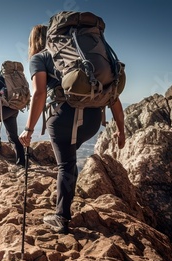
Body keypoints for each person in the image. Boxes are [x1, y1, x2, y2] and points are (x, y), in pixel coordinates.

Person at [19, 25, 126, 234]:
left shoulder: (39, 58)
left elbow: (39, 94)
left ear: (33, 41)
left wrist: (28, 129)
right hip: (94, 119)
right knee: (69, 160)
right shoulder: (81, 58)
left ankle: (61, 217)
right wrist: (121, 131)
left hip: (65, 118)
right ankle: (65, 198)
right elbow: (113, 95)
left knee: (66, 165)